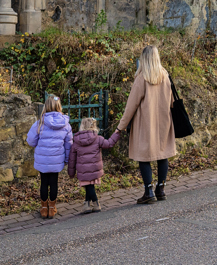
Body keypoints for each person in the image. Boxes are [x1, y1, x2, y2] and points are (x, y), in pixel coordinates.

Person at [115, 45, 175, 204]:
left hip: (145, 124)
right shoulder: (165, 76)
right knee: (162, 154)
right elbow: (172, 102)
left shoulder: (142, 78)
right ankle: (161, 189)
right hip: (163, 121)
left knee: (144, 156)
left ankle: (149, 191)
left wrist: (120, 127)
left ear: (144, 59)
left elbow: (131, 106)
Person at [26, 95, 72, 219]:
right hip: (57, 159)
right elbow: (69, 145)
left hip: (43, 159)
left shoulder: (40, 122)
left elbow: (31, 141)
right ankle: (51, 208)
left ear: (46, 106)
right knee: (54, 183)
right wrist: (67, 159)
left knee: (44, 183)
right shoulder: (66, 124)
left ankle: (43, 208)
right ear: (59, 106)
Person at [68, 117, 121, 214]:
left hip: (83, 170)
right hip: (95, 168)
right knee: (90, 186)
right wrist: (116, 134)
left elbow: (72, 160)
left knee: (89, 186)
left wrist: (71, 173)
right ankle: (89, 204)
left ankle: (93, 204)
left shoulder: (76, 142)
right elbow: (109, 143)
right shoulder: (98, 139)